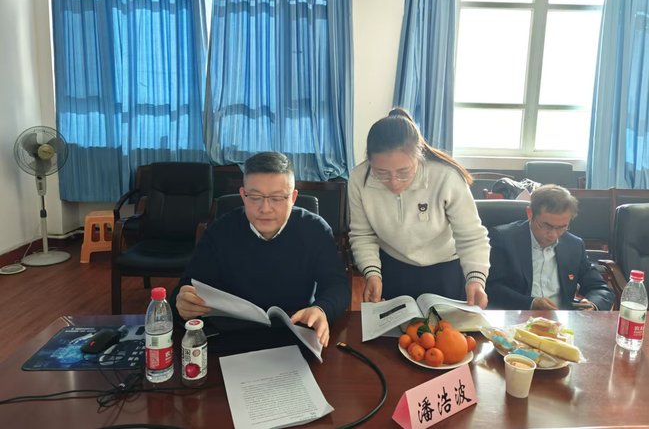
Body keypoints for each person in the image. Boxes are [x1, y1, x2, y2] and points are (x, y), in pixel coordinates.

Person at [172, 152, 350, 347]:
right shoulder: (220, 231)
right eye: (255, 197)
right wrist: (183, 302)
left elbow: (337, 285)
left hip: (294, 332)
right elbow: (188, 285)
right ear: (243, 195)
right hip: (233, 336)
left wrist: (321, 309)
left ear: (293, 198)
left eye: (277, 198)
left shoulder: (315, 229)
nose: (265, 208)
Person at [348, 108, 490, 308]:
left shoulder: (446, 176)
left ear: (419, 156)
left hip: (445, 269)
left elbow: (471, 235)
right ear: (369, 160)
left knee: (446, 327)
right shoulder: (359, 179)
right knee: (397, 327)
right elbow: (362, 234)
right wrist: (371, 273)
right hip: (392, 268)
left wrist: (475, 279)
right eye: (382, 173)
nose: (394, 182)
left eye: (403, 172)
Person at [485, 184, 614, 311]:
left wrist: (592, 304)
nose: (553, 234)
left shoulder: (574, 245)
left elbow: (599, 289)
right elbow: (491, 288)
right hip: (517, 317)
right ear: (530, 213)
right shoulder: (503, 238)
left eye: (562, 227)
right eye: (546, 226)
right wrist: (530, 304)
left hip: (561, 321)